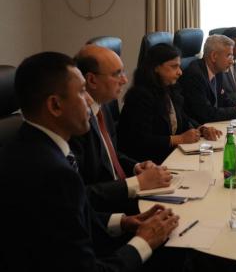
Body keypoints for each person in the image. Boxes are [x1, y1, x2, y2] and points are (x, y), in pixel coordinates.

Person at [0, 52, 178, 271]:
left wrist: (124, 222)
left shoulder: (32, 144)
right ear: (55, 106)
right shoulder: (52, 173)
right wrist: (144, 242)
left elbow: (74, 217)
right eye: (82, 91)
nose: (90, 99)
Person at [70, 45, 172, 213]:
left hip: (122, 195)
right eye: (117, 74)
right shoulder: (76, 124)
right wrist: (137, 183)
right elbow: (82, 195)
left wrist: (136, 166)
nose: (124, 80)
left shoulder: (104, 106)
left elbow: (111, 155)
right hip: (107, 211)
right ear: (92, 80)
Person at [118, 43, 222, 164]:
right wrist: (180, 139)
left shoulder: (169, 88)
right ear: (156, 67)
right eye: (174, 67)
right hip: (149, 163)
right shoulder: (140, 96)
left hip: (170, 155)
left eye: (179, 66)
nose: (180, 72)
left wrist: (202, 129)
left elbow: (182, 118)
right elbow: (141, 140)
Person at [180, 35, 236, 124]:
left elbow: (224, 101)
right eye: (229, 55)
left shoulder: (218, 71)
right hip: (199, 129)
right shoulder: (194, 75)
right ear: (214, 56)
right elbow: (206, 113)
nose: (232, 61)